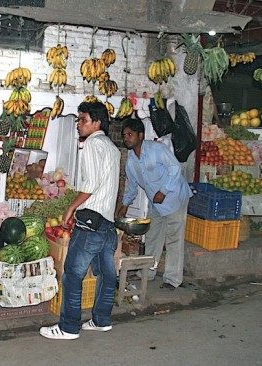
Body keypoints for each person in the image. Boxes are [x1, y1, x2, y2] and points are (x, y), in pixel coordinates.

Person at [40, 101, 120, 340]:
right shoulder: (111, 147)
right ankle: (101, 320)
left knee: (73, 274)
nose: (78, 124)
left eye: (83, 120)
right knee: (106, 274)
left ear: (96, 122)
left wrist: (71, 209)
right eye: (78, 120)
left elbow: (90, 185)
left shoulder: (93, 144)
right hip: (107, 222)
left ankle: (68, 327)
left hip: (91, 222)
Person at [117, 118, 192, 290]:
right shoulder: (131, 161)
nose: (126, 138)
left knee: (174, 240)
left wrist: (163, 191)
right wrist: (125, 205)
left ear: (140, 135)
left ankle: (173, 280)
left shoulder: (157, 149)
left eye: (130, 134)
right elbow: (132, 185)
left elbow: (175, 168)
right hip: (156, 204)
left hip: (174, 198)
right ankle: (147, 273)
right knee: (151, 238)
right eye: (124, 135)